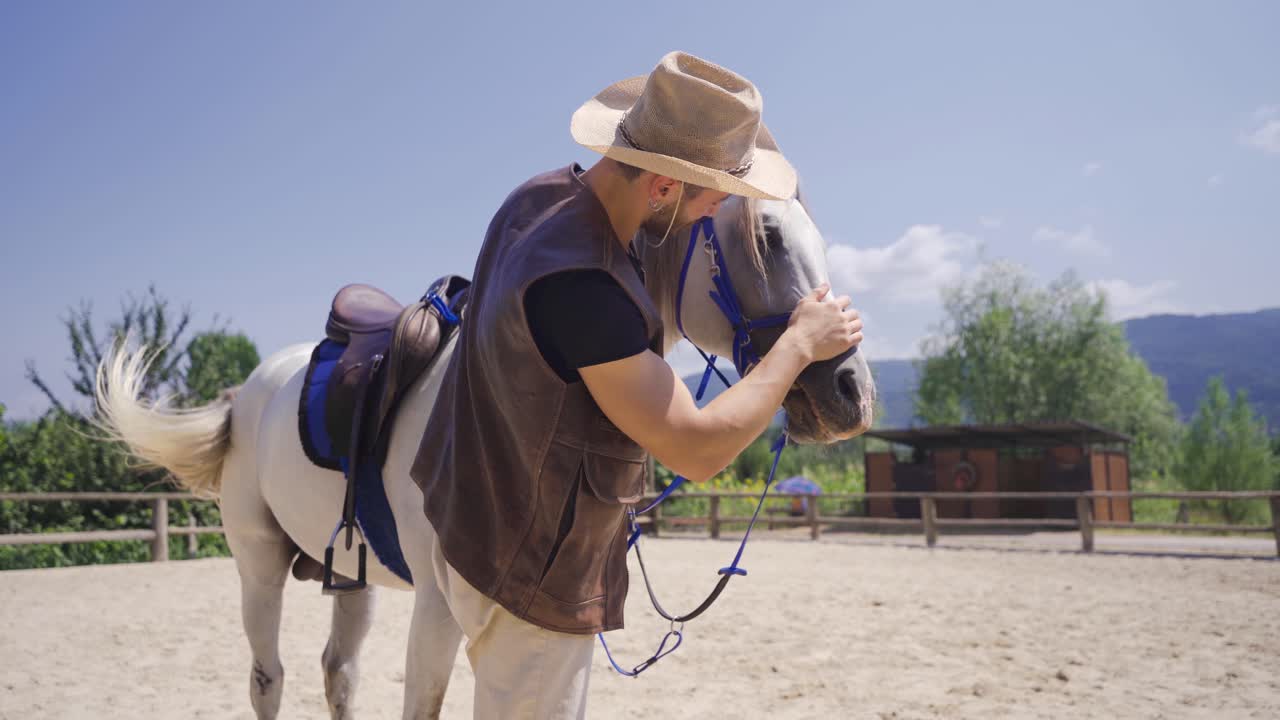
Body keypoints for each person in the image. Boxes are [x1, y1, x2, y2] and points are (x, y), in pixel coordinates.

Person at [408, 51, 863, 719]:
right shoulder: (589, 291)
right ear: (661, 188)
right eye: (714, 195)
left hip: (472, 529)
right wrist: (797, 344)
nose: (716, 209)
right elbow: (698, 449)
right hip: (529, 576)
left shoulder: (537, 198)